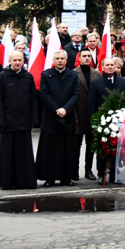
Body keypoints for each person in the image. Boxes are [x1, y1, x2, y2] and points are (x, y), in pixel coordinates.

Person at [0, 51, 39, 189]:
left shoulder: (28, 77)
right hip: (8, 123)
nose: (18, 62)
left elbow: (33, 99)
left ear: (23, 61)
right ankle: (8, 182)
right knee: (8, 155)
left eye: (20, 60)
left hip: (24, 122)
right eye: (15, 60)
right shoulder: (1, 77)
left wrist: (34, 119)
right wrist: (1, 121)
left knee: (24, 154)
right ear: (9, 61)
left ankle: (26, 181)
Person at [37, 50, 80, 187]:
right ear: (53, 60)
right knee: (49, 150)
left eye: (62, 58)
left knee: (67, 149)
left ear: (66, 60)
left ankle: (66, 178)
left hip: (67, 117)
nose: (60, 61)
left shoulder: (72, 75)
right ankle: (49, 178)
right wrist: (56, 109)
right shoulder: (46, 75)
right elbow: (44, 94)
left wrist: (65, 109)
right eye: (57, 58)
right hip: (51, 117)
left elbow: (76, 94)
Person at [89, 57, 125, 183]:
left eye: (112, 65)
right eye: (107, 65)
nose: (110, 67)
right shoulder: (95, 83)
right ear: (102, 67)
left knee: (116, 148)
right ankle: (101, 174)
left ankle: (114, 174)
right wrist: (94, 122)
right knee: (102, 149)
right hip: (102, 122)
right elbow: (92, 104)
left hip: (119, 121)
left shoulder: (123, 82)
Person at [74, 49, 101, 181]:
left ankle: (88, 170)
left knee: (91, 145)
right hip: (78, 114)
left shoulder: (97, 73)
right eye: (84, 56)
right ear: (79, 58)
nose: (86, 58)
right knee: (76, 145)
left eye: (89, 56)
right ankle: (74, 170)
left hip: (93, 115)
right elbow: (70, 96)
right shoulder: (73, 74)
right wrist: (74, 115)